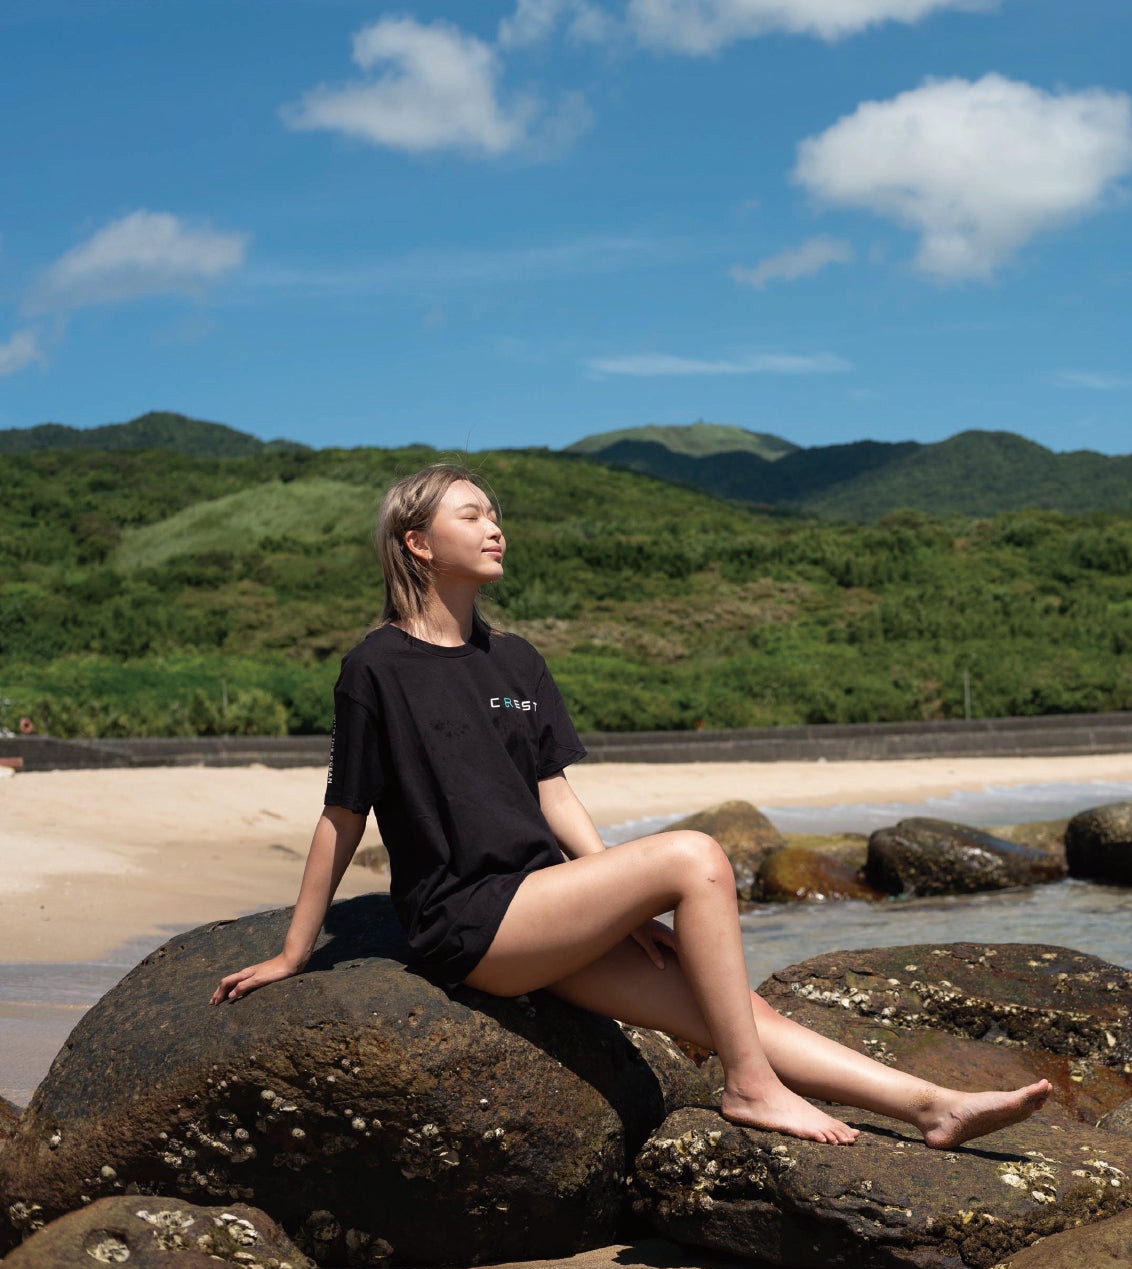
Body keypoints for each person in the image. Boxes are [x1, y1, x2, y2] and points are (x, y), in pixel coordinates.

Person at [212, 463, 1051, 1147]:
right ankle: (751, 1091)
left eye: (496, 512)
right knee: (695, 856)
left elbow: (551, 792)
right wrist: (295, 953)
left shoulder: (516, 661)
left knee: (736, 1011)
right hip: (470, 920)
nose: (495, 525)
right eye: (472, 515)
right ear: (417, 542)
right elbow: (342, 812)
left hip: (547, 909)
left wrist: (614, 896)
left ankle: (930, 1106)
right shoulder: (377, 667)